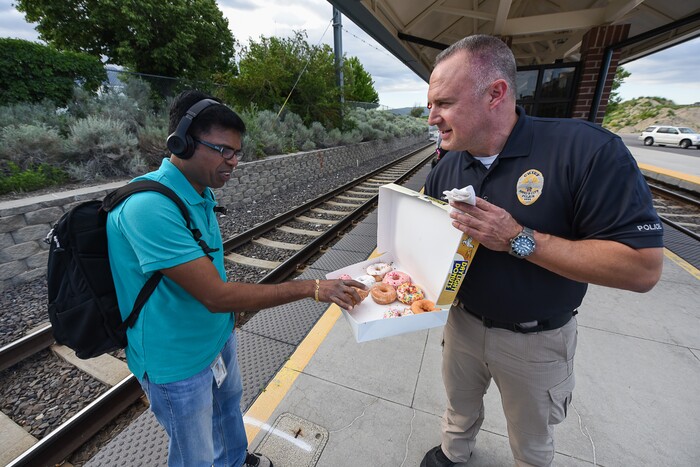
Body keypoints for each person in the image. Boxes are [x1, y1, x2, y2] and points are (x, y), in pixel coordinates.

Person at [421, 35, 664, 467]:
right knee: (459, 408)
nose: (432, 117)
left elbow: (642, 269)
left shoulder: (586, 151)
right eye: (430, 105)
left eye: (444, 103)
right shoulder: (448, 166)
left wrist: (517, 237)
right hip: (461, 326)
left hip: (537, 340)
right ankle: (452, 454)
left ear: (496, 93)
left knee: (531, 438)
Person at [106, 90, 366, 467]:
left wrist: (226, 325)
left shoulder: (200, 190)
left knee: (229, 411)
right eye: (224, 150)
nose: (234, 162)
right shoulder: (149, 207)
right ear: (181, 142)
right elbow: (215, 295)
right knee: (193, 453)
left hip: (217, 338)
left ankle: (234, 460)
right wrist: (312, 287)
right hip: (176, 361)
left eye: (238, 152)